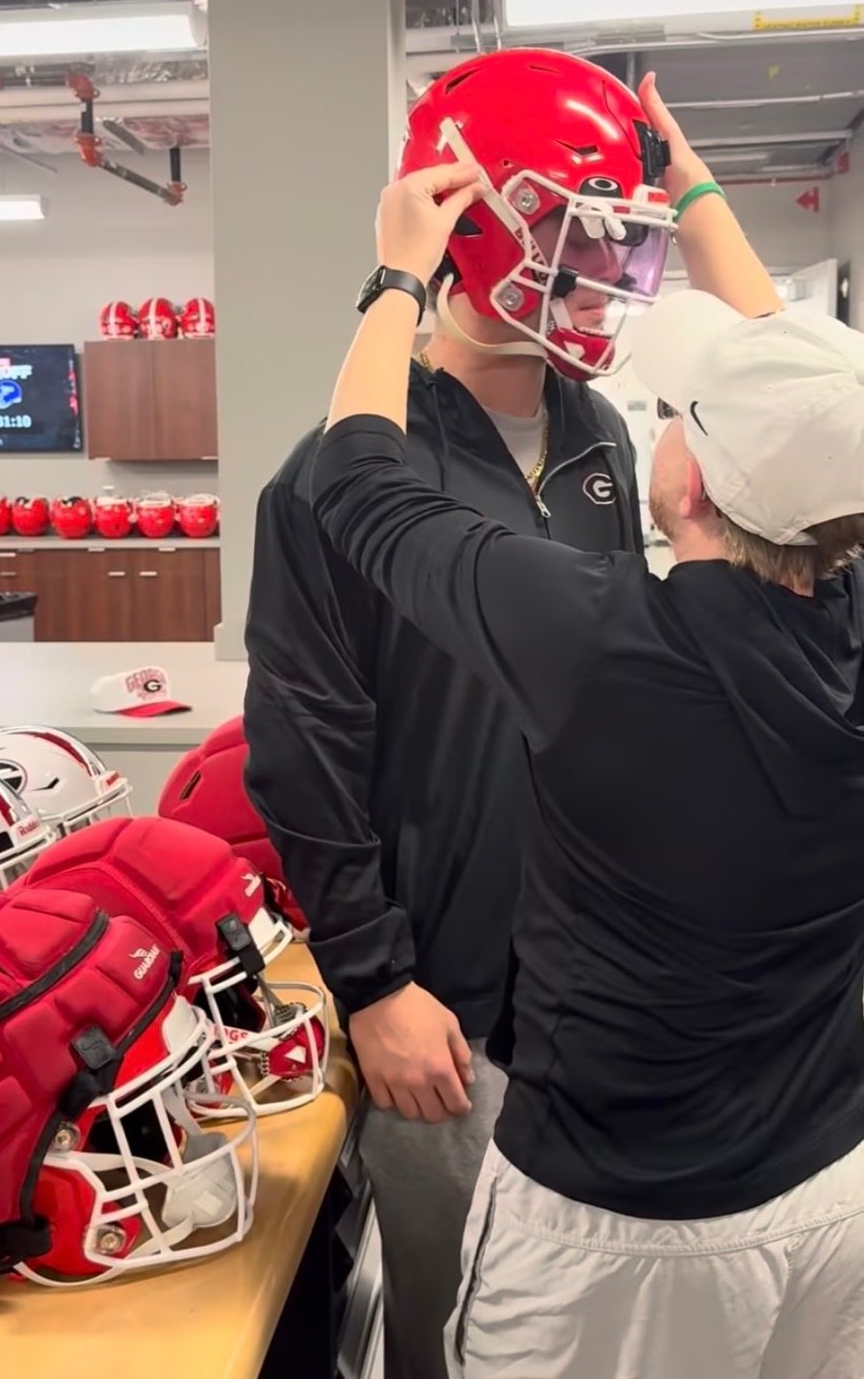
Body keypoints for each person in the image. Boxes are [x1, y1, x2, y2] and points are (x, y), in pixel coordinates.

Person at [308, 73, 864, 1379]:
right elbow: (798, 374)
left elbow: (358, 486)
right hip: (833, 1187)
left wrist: (396, 275)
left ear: (686, 475)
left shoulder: (607, 645)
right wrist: (685, 177)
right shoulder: (842, 609)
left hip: (621, 1232)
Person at [242, 49, 675, 1379]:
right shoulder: (339, 470)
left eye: (618, 246)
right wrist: (375, 983)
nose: (599, 278)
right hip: (444, 1003)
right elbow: (305, 747)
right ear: (473, 230)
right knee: (461, 1329)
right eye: (571, 239)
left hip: (602, 985)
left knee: (601, 1321)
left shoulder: (599, 428)